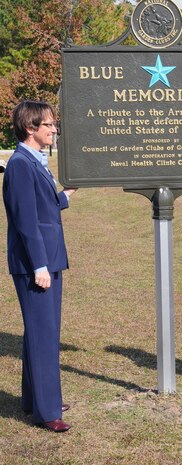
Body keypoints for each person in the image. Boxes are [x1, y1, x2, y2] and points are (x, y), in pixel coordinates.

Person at [2, 100, 77, 432]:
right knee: (43, 334)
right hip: (37, 264)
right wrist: (40, 266)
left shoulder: (35, 162)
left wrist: (65, 196)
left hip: (48, 259)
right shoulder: (20, 164)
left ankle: (38, 398)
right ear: (30, 128)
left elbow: (43, 205)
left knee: (41, 332)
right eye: (48, 125)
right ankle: (48, 412)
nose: (54, 129)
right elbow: (26, 221)